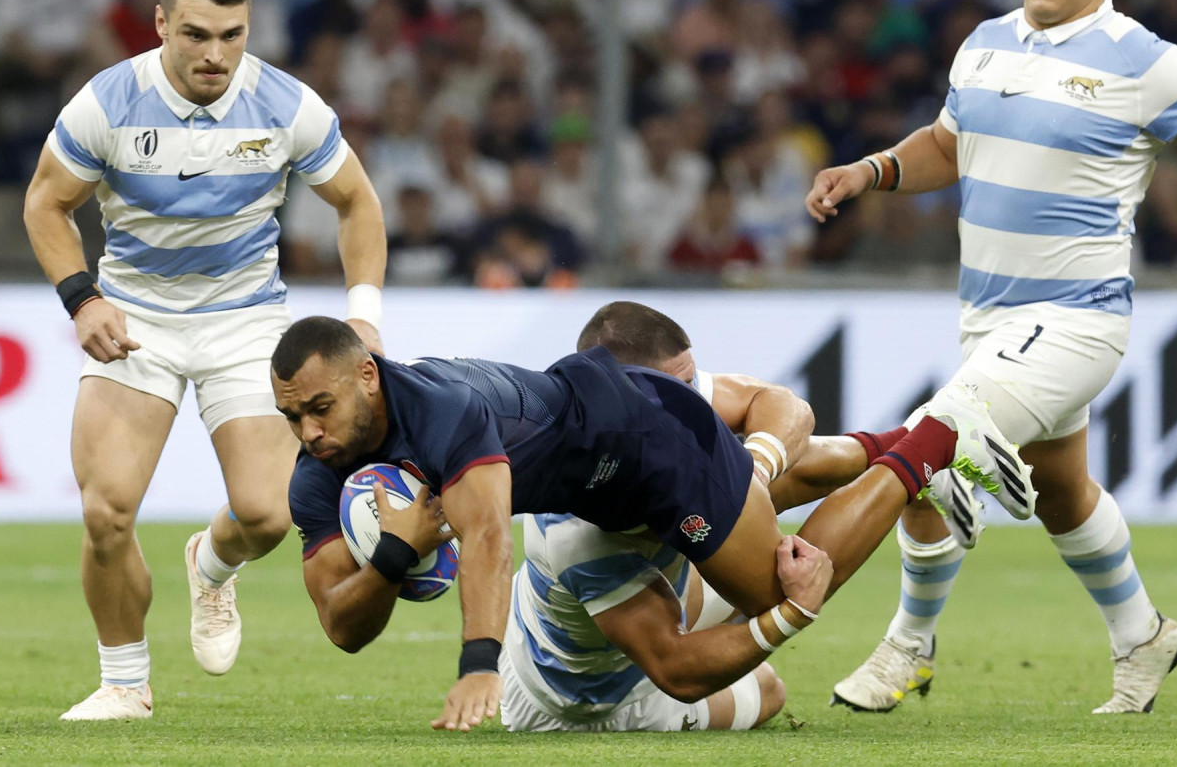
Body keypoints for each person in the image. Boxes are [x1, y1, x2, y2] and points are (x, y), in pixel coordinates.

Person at [807, 0, 1177, 714]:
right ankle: (1143, 636)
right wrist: (871, 170)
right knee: (1063, 490)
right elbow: (945, 145)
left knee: (930, 449)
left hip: (1077, 319)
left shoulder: (1144, 59)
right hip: (991, 318)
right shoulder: (985, 44)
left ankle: (907, 647)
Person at [274, 313, 1033, 732]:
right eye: (292, 416)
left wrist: (477, 665)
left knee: (775, 583)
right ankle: (896, 444)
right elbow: (342, 624)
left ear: (367, 374)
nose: (309, 431)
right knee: (760, 487)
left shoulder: (444, 412)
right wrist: (390, 559)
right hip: (602, 458)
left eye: (320, 408)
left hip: (641, 445)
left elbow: (489, 536)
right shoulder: (317, 470)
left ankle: (937, 432)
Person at [22, 0, 388, 721]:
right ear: (160, 23)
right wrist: (83, 299)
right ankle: (124, 683)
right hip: (136, 316)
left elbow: (357, 202)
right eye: (195, 34)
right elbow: (45, 203)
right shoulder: (108, 102)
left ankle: (211, 563)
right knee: (105, 511)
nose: (215, 54)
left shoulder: (287, 105)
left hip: (245, 320)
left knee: (267, 514)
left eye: (233, 35)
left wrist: (365, 315)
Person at [498, 300, 913, 733]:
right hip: (593, 702)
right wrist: (793, 614)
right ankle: (919, 456)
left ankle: (907, 441)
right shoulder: (573, 528)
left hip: (576, 610)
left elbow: (779, 404)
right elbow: (676, 670)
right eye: (681, 385)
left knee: (748, 465)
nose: (693, 395)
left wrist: (758, 467)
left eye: (690, 379)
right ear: (629, 395)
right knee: (770, 678)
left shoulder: (662, 398)